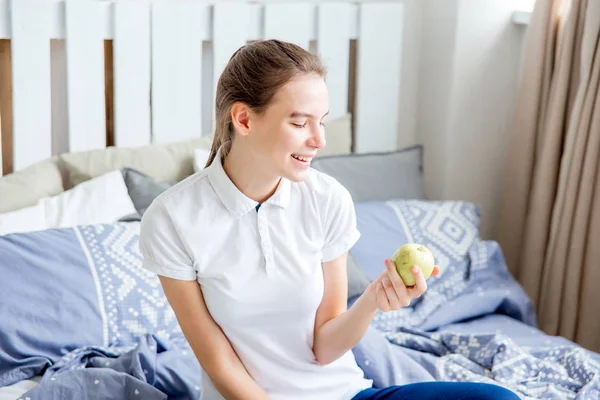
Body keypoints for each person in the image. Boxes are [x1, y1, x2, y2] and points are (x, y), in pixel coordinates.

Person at [139, 39, 521, 400]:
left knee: (497, 397)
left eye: (322, 121)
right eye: (301, 123)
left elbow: (324, 347)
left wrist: (372, 300)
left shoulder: (327, 198)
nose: (319, 140)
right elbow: (218, 361)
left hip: (345, 394)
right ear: (243, 119)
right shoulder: (173, 218)